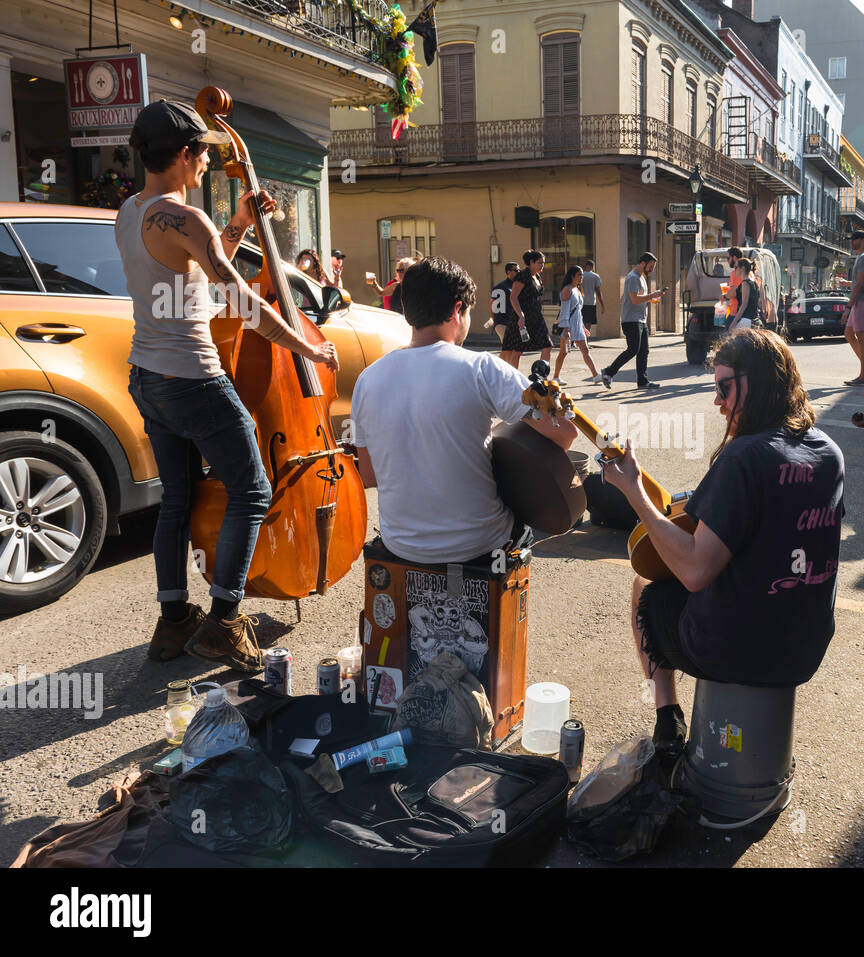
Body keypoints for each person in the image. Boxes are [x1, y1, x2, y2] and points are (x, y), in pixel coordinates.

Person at [119, 99, 339, 671]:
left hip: (148, 378)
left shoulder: (131, 211)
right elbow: (241, 298)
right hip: (193, 379)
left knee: (177, 499)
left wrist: (240, 222)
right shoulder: (185, 218)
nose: (204, 169)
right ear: (187, 155)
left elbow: (195, 262)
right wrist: (307, 346)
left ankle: (172, 622)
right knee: (252, 490)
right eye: (202, 159)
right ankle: (223, 621)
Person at [599, 329, 843, 754]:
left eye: (724, 388)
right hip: (806, 645)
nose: (718, 401)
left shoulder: (742, 457)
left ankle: (666, 715)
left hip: (731, 650)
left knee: (645, 587)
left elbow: (694, 572)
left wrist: (634, 491)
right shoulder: (829, 452)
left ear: (760, 382)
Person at [350, 257, 578, 566]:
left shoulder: (367, 379)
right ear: (458, 310)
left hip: (401, 544)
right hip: (479, 544)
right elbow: (564, 432)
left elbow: (369, 474)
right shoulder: (481, 368)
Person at [602, 252, 665, 389]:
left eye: (653, 267)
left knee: (643, 351)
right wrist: (651, 295)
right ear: (643, 263)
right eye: (650, 266)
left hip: (640, 319)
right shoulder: (633, 278)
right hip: (631, 320)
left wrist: (653, 298)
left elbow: (635, 298)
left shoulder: (641, 278)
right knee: (633, 350)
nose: (652, 269)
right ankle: (608, 372)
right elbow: (635, 299)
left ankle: (642, 380)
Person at [553, 264, 603, 386]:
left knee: (585, 350)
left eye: (582, 274)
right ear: (572, 276)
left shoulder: (577, 289)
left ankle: (595, 375)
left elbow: (578, 311)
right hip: (568, 326)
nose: (581, 277)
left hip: (577, 325)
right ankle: (556, 377)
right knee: (563, 353)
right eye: (579, 275)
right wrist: (565, 330)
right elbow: (565, 312)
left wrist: (583, 327)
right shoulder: (567, 290)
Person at [501, 249, 552, 370]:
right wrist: (521, 316)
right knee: (518, 350)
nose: (542, 265)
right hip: (522, 317)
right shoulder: (523, 275)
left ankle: (541, 375)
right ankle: (513, 379)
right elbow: (513, 297)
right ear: (531, 262)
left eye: (543, 263)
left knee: (547, 346)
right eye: (540, 263)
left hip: (536, 316)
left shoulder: (537, 276)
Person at [842, 229, 864, 386]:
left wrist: (848, 307)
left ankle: (863, 375)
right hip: (860, 300)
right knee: (849, 333)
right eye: (851, 239)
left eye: (855, 239)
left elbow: (861, 284)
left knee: (862, 337)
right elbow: (859, 282)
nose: (852, 241)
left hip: (863, 301)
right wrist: (847, 284)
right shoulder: (862, 257)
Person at [488, 261, 518, 355]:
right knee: (509, 346)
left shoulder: (517, 286)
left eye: (519, 270)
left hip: (512, 322)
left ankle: (500, 367)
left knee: (509, 349)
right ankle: (504, 368)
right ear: (508, 272)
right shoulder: (500, 287)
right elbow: (491, 303)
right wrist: (492, 318)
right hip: (501, 322)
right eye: (516, 270)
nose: (518, 272)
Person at [726, 258, 761, 335]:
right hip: (754, 319)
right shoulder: (754, 282)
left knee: (733, 343)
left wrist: (733, 323)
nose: (734, 270)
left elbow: (744, 304)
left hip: (746, 319)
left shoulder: (745, 283)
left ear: (742, 268)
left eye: (736, 267)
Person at [580, 258, 605, 329]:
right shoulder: (595, 276)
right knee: (588, 322)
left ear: (585, 266)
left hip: (581, 302)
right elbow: (598, 292)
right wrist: (602, 305)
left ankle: (582, 337)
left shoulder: (580, 275)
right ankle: (586, 338)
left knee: (582, 320)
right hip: (591, 302)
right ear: (592, 267)